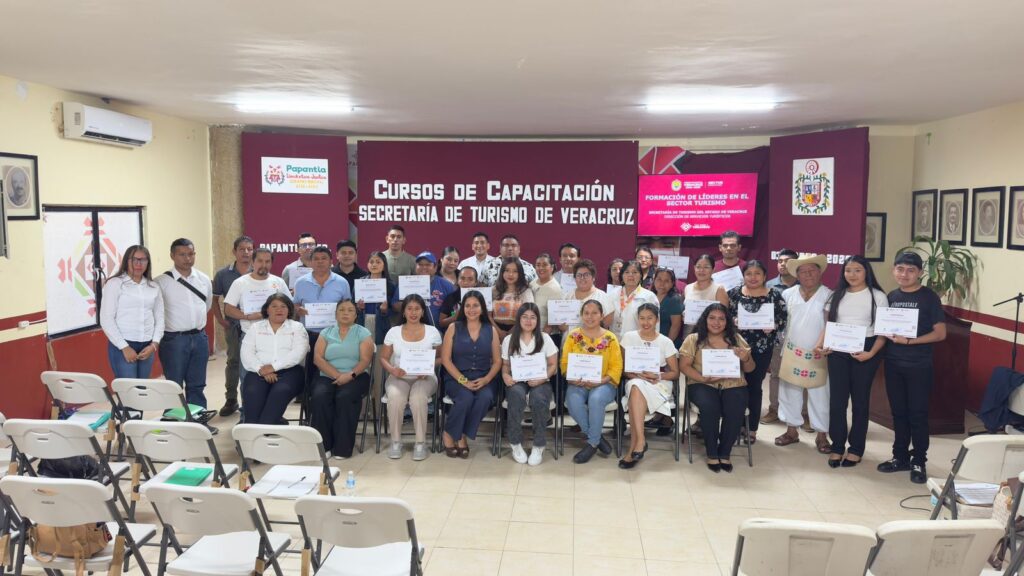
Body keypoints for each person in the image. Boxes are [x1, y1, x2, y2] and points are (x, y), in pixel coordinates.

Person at [877, 252, 946, 484]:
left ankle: (919, 460)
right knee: (898, 413)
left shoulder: (929, 297)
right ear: (893, 270)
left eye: (910, 270)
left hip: (918, 365)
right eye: (900, 269)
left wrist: (909, 341)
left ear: (920, 273)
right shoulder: (891, 296)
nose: (904, 274)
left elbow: (940, 333)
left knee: (917, 414)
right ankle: (900, 457)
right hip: (893, 364)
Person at [816, 255, 888, 468]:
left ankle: (856, 449)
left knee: (860, 401)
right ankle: (837, 446)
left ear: (866, 272)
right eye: (848, 270)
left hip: (865, 350)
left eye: (857, 270)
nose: (852, 275)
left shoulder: (878, 296)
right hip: (838, 350)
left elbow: (883, 331)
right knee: (837, 401)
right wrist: (820, 345)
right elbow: (829, 325)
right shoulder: (836, 295)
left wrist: (871, 353)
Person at [679, 304, 755, 473]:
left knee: (735, 406)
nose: (716, 322)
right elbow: (684, 366)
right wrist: (702, 378)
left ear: (727, 322)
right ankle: (712, 452)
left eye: (721, 319)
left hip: (733, 383)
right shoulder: (693, 339)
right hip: (702, 383)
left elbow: (750, 369)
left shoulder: (736, 339)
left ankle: (725, 452)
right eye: (712, 318)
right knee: (710, 406)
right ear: (705, 320)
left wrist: (746, 358)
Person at [773, 254, 832, 453]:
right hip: (791, 351)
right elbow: (779, 321)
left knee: (820, 394)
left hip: (819, 353)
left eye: (812, 270)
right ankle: (791, 431)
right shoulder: (787, 294)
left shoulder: (829, 295)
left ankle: (822, 435)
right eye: (803, 272)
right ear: (796, 275)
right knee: (789, 392)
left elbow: (831, 323)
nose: (808, 275)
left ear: (820, 272)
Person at [727, 260, 787, 443]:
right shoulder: (734, 293)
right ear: (743, 276)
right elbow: (723, 317)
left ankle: (751, 428)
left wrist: (774, 325)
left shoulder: (774, 295)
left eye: (757, 273)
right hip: (736, 348)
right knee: (735, 386)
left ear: (764, 276)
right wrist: (733, 321)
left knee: (754, 386)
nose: (753, 277)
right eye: (749, 274)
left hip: (762, 349)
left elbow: (783, 319)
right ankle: (735, 425)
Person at [379, 294, 442, 461]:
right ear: (404, 312)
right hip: (399, 376)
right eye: (409, 309)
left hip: (425, 377)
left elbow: (441, 358)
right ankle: (396, 441)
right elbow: (383, 358)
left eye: (417, 309)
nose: (413, 312)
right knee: (395, 397)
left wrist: (428, 368)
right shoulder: (393, 332)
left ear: (423, 312)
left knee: (418, 397)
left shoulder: (432, 331)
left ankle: (420, 443)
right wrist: (392, 370)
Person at [440, 291, 502, 458]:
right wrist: (463, 381)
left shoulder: (491, 330)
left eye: (475, 305)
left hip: (484, 377)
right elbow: (446, 360)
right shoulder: (453, 328)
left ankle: (458, 433)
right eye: (467, 305)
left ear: (482, 308)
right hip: (456, 377)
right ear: (462, 308)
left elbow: (497, 361)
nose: (471, 309)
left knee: (485, 398)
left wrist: (487, 379)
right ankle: (452, 435)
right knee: (465, 398)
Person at [310, 300, 374, 460]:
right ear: (335, 314)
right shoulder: (326, 332)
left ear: (356, 315)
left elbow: (365, 360)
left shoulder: (363, 333)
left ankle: (342, 448)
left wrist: (350, 375)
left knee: (345, 396)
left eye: (350, 310)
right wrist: (337, 376)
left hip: (357, 375)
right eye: (342, 310)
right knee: (320, 396)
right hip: (327, 375)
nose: (346, 313)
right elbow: (318, 358)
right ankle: (324, 446)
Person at [561, 299, 623, 464]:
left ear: (602, 315)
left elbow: (617, 366)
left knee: (596, 399)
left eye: (594, 313)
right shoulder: (573, 336)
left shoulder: (610, 338)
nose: (590, 317)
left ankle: (592, 443)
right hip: (577, 382)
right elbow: (564, 362)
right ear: (581, 315)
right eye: (586, 313)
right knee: (573, 401)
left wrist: (602, 380)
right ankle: (597, 438)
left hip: (604, 383)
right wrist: (571, 376)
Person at [618, 303, 680, 469]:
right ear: (637, 319)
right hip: (635, 379)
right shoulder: (629, 338)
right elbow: (623, 369)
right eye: (642, 318)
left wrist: (658, 375)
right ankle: (640, 441)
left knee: (635, 390)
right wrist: (634, 374)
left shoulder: (665, 341)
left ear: (657, 319)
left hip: (658, 382)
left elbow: (675, 373)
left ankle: (635, 446)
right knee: (636, 385)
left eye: (650, 318)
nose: (646, 322)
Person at [223, 248, 291, 394]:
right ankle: (247, 408)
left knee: (276, 376)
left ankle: (272, 408)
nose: (263, 265)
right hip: (249, 336)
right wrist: (248, 316)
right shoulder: (240, 283)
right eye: (260, 261)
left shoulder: (278, 282)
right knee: (248, 377)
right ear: (252, 262)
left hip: (277, 336)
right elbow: (228, 309)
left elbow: (289, 306)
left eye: (267, 261)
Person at [156, 238, 213, 410]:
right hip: (174, 340)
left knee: (197, 383)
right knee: (174, 385)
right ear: (172, 256)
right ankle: (174, 418)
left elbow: (207, 305)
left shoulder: (203, 279)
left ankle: (197, 417)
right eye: (182, 254)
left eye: (190, 254)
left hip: (200, 337)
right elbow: (157, 312)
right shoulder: (161, 282)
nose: (187, 258)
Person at [501, 303, 558, 466]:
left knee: (538, 399)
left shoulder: (545, 338)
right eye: (525, 317)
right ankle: (515, 443)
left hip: (541, 380)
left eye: (533, 317)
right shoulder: (509, 340)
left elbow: (553, 365)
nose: (528, 321)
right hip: (517, 380)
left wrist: (542, 378)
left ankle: (539, 445)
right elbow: (505, 365)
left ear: (537, 320)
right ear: (518, 319)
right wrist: (505, 375)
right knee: (516, 395)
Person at [240, 294, 309, 424]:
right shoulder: (255, 328)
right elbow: (246, 352)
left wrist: (273, 367)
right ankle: (265, 426)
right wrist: (261, 369)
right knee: (252, 393)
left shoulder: (297, 327)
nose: (279, 309)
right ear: (267, 309)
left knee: (280, 392)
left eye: (283, 306)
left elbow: (298, 353)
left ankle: (267, 427)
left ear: (289, 310)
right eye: (274, 306)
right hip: (258, 371)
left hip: (290, 372)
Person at [294, 246, 353, 398]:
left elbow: (348, 307)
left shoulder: (342, 282)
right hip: (310, 334)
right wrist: (298, 310)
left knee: (333, 372)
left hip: (335, 336)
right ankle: (311, 408)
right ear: (310, 262)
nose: (320, 262)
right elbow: (295, 305)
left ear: (331, 261)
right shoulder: (300, 282)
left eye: (324, 258)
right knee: (311, 374)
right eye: (316, 259)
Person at [101, 245, 164, 379]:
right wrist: (124, 347)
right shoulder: (115, 284)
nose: (138, 264)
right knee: (128, 389)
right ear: (126, 261)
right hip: (123, 345)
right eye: (134, 259)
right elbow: (106, 319)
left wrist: (154, 345)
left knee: (142, 388)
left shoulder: (153, 287)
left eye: (143, 260)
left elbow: (160, 318)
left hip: (147, 346)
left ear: (148, 262)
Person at [212, 235, 253, 417]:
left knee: (252, 362)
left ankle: (250, 401)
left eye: (249, 249)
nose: (246, 252)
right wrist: (221, 320)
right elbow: (214, 299)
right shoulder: (223, 274)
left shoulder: (259, 271)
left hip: (255, 326)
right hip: (234, 326)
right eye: (242, 249)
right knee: (234, 361)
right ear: (234, 251)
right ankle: (231, 399)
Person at [762, 248, 801, 426]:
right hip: (777, 338)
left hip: (800, 337)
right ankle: (774, 409)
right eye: (780, 261)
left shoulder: (805, 284)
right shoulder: (769, 285)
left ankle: (803, 413)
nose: (783, 264)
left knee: (801, 375)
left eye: (788, 261)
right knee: (776, 374)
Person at [559, 259, 614, 331]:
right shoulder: (567, 297)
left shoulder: (603, 297)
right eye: (579, 275)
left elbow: (608, 320)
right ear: (575, 278)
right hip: (570, 337)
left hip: (595, 337)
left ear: (593, 278)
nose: (582, 278)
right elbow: (561, 325)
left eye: (586, 275)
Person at [683, 254, 730, 337]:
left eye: (706, 267)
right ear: (694, 268)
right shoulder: (688, 288)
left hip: (711, 337)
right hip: (689, 335)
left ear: (713, 270)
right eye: (698, 267)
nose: (701, 270)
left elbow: (724, 316)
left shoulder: (719, 289)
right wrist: (684, 316)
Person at [612, 260, 658, 339]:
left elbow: (655, 325)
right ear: (622, 275)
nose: (630, 275)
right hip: (614, 341)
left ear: (641, 276)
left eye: (635, 272)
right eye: (627, 272)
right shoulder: (612, 294)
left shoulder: (649, 297)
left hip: (637, 342)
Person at [358, 251, 396, 345]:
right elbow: (352, 305)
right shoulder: (360, 282)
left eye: (378, 262)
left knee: (380, 349)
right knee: (364, 349)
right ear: (367, 264)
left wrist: (385, 311)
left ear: (384, 265)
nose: (374, 264)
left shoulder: (391, 285)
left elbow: (395, 309)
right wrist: (359, 307)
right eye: (371, 262)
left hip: (382, 323)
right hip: (363, 321)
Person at [491, 257, 535, 338]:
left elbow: (529, 314)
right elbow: (487, 314)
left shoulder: (526, 291)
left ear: (520, 273)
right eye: (507, 270)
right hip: (495, 332)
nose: (510, 274)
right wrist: (498, 331)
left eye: (515, 271)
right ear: (502, 272)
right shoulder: (494, 290)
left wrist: (512, 332)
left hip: (518, 332)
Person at [411, 251, 456, 327]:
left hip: (440, 331)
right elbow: (395, 304)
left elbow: (454, 310)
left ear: (435, 267)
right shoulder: (407, 283)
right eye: (420, 265)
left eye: (428, 265)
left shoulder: (447, 285)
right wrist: (410, 304)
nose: (424, 267)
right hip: (413, 330)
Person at [529, 253, 562, 338]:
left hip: (547, 335)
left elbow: (552, 319)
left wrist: (542, 337)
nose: (541, 268)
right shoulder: (532, 283)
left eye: (544, 265)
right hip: (530, 332)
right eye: (538, 265)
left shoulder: (555, 289)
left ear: (552, 267)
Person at [653, 267, 683, 348]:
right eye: (659, 279)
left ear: (672, 283)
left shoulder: (674, 299)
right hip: (651, 341)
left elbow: (675, 326)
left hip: (667, 343)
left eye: (666, 281)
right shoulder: (650, 295)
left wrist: (665, 346)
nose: (662, 284)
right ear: (654, 280)